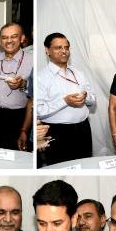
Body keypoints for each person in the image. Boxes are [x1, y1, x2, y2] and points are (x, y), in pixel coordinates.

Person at [37, 33, 95, 164]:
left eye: (66, 47)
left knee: (85, 165)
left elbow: (93, 101)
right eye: (58, 47)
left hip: (83, 129)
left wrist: (86, 97)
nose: (64, 51)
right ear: (47, 50)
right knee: (60, 167)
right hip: (57, 132)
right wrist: (65, 101)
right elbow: (39, 110)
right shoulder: (41, 77)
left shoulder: (79, 73)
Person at [0, 23, 34, 150]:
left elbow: (36, 93)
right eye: (4, 37)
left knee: (17, 155)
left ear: (22, 38)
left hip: (19, 117)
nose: (9, 41)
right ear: (0, 40)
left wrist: (22, 84)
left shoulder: (32, 61)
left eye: (13, 36)